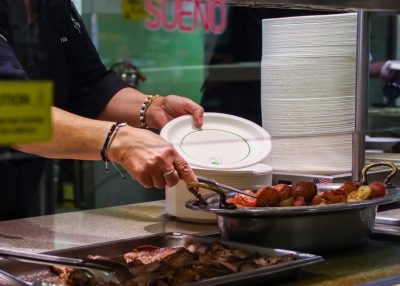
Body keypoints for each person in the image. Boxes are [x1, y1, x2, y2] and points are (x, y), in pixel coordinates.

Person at [0, 0, 203, 220]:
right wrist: (119, 140)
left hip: (17, 209)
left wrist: (154, 108)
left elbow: (89, 87)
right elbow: (11, 109)